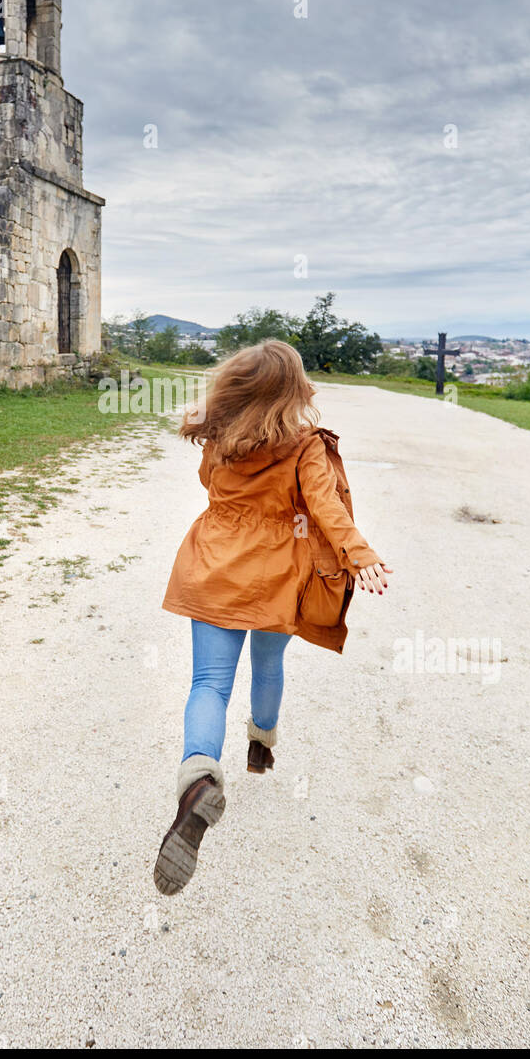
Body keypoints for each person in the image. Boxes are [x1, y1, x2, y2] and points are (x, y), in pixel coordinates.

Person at [154, 339, 391, 895]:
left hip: (212, 565)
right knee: (268, 664)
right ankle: (260, 744)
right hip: (276, 575)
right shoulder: (306, 445)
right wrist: (361, 554)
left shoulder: (217, 435)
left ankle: (198, 777)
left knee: (209, 682)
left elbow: (210, 486)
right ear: (293, 391)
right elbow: (326, 506)